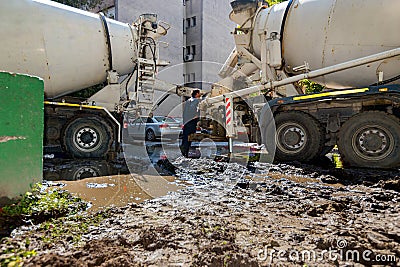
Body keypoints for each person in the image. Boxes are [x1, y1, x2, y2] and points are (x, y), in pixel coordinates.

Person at [181, 89, 201, 157]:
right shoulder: (196, 101)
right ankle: (185, 152)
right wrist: (197, 116)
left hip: (187, 122)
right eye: (199, 93)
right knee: (190, 137)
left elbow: (184, 112)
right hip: (192, 122)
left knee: (185, 137)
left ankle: (184, 152)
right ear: (197, 94)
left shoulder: (188, 101)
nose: (200, 94)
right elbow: (196, 110)